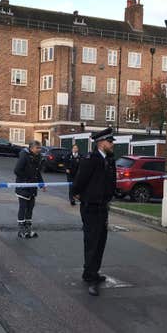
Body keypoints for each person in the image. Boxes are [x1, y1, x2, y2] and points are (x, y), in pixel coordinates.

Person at [72, 127, 117, 296]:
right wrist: (76, 194)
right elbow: (80, 179)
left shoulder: (109, 159)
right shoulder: (91, 159)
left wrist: (111, 195)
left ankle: (92, 271)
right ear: (100, 143)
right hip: (91, 206)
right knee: (92, 241)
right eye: (110, 141)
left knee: (100, 241)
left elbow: (111, 181)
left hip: (102, 206)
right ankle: (90, 277)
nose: (112, 144)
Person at [14, 141, 46, 238]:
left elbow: (37, 172)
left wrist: (41, 184)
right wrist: (26, 180)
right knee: (23, 208)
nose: (39, 150)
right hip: (23, 187)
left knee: (30, 208)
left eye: (40, 148)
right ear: (31, 148)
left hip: (32, 187)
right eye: (37, 148)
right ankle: (21, 231)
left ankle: (28, 230)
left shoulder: (38, 157)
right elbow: (17, 170)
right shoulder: (24, 156)